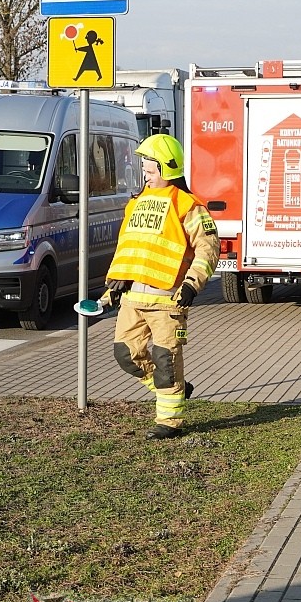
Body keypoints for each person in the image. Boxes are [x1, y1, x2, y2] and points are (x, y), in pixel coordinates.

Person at [105, 133, 220, 439]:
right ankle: (174, 389)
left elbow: (208, 249)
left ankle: (169, 422)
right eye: (144, 167)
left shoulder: (188, 205)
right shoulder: (137, 202)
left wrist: (192, 286)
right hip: (133, 297)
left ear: (167, 168)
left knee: (165, 362)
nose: (145, 173)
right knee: (125, 354)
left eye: (151, 168)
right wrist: (113, 287)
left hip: (168, 300)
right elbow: (129, 248)